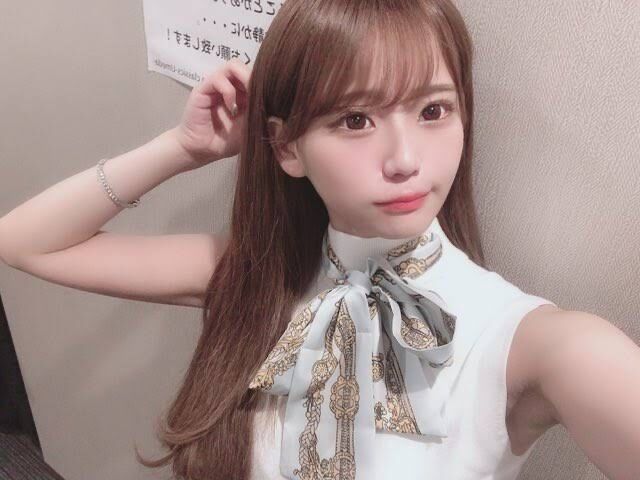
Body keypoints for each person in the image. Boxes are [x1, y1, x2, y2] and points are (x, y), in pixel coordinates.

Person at [1, 0, 639, 479]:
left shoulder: (531, 344)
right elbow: (26, 242)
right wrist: (182, 148)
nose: (405, 160)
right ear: (286, 147)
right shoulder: (256, 276)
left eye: (433, 110)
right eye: (355, 119)